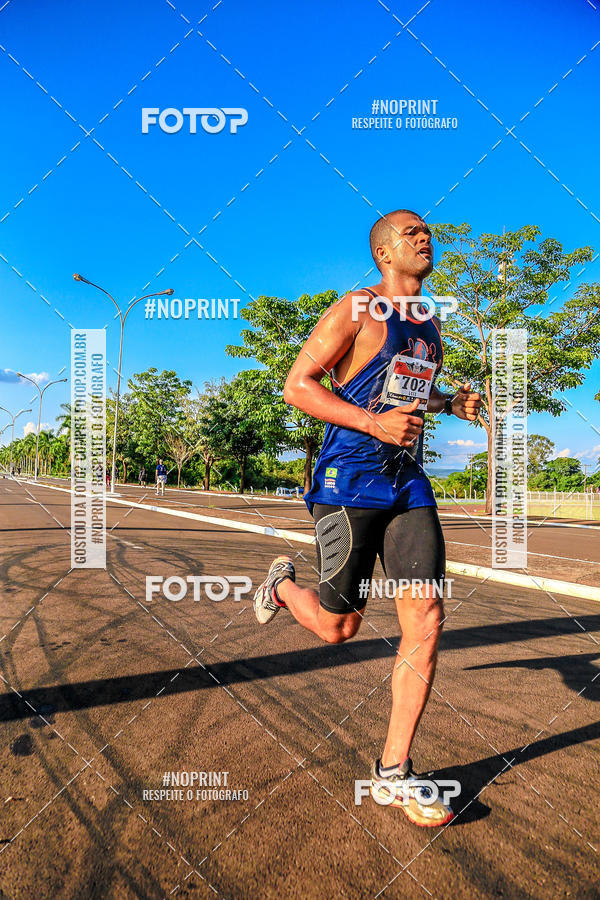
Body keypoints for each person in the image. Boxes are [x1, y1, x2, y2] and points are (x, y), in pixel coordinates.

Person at [253, 209, 481, 826]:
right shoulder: (356, 308)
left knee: (426, 614)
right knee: (337, 630)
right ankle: (278, 586)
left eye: (429, 229)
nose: (426, 237)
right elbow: (298, 386)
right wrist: (373, 424)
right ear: (383, 252)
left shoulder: (430, 323)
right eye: (412, 232)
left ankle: (393, 772)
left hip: (407, 484)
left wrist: (450, 401)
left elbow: (410, 393)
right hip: (346, 482)